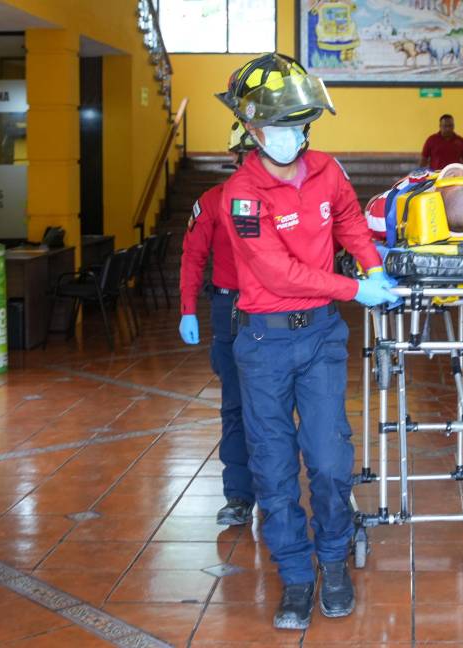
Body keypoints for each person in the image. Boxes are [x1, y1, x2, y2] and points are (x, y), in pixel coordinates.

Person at [215, 52, 399, 630]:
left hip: (319, 336)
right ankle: (295, 576)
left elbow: (347, 218)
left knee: (328, 460)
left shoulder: (327, 169)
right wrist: (355, 287)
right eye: (278, 126)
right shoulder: (240, 197)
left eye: (298, 124)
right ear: (251, 128)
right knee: (272, 468)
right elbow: (277, 274)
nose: (290, 136)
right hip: (264, 343)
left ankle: (333, 561)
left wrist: (370, 263)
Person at [177, 126, 255, 528]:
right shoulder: (212, 201)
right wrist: (188, 308)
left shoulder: (284, 200)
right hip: (229, 306)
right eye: (247, 152)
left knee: (282, 407)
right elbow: (193, 256)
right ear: (234, 156)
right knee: (236, 407)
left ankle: (284, 493)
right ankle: (239, 494)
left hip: (277, 308)